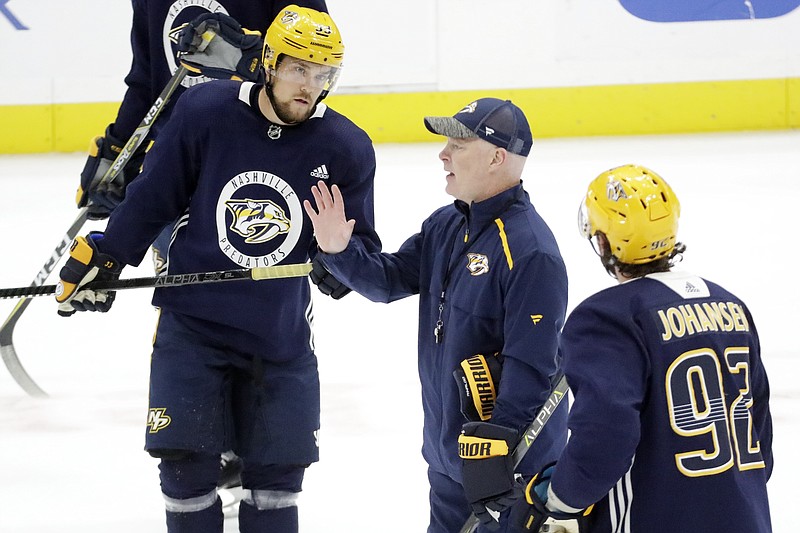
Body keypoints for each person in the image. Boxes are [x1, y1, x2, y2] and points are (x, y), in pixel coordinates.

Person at [55, 6, 380, 533]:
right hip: (194, 329)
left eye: (324, 75)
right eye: (299, 69)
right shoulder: (206, 112)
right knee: (185, 472)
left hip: (278, 339)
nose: (310, 87)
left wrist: (337, 257)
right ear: (268, 62)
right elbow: (153, 198)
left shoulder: (345, 148)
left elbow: (358, 253)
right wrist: (107, 255)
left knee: (277, 485)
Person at [304, 98, 569, 532]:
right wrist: (339, 252)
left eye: (458, 145)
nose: (443, 154)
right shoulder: (446, 226)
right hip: (449, 457)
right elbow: (387, 280)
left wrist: (497, 450)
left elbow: (532, 366)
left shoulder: (531, 252)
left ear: (497, 158)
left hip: (510, 468)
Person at [511, 164, 773, 533]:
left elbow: (605, 435)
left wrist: (559, 499)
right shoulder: (731, 307)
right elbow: (758, 434)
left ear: (602, 242)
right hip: (747, 518)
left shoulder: (605, 318)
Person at [76, 0, 327, 272]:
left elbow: (318, 67)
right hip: (174, 165)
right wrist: (118, 149)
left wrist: (245, 58)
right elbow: (147, 76)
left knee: (258, 307)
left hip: (257, 168)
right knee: (179, 304)